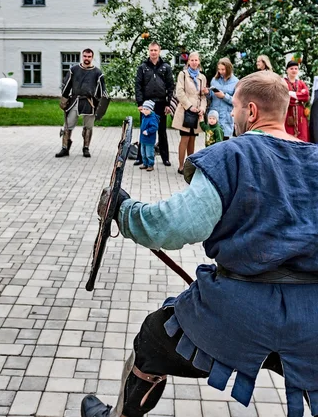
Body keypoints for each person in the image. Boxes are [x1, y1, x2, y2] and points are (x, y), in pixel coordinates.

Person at [80, 70, 318, 417]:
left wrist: (124, 211)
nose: (232, 117)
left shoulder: (232, 155)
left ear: (250, 112)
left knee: (152, 339)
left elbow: (174, 225)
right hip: (312, 318)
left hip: (236, 315)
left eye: (234, 108)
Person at [55, 48, 108, 158]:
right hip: (75, 100)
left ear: (92, 57)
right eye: (85, 56)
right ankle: (65, 148)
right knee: (68, 125)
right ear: (82, 56)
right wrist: (64, 100)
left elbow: (103, 91)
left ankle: (86, 148)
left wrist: (101, 105)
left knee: (88, 127)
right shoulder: (74, 69)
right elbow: (67, 85)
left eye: (89, 57)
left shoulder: (98, 73)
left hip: (90, 102)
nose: (87, 58)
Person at [134, 42, 174, 167]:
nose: (153, 52)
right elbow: (138, 85)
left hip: (161, 103)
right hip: (146, 104)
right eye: (151, 50)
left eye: (155, 50)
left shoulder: (166, 67)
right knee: (144, 129)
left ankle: (165, 158)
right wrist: (140, 103)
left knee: (162, 131)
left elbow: (170, 86)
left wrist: (169, 104)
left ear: (159, 51)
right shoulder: (143, 67)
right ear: (148, 51)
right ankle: (140, 157)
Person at [171, 52, 208, 174]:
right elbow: (179, 92)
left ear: (199, 62)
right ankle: (181, 166)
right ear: (188, 62)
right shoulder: (183, 74)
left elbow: (203, 96)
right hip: (185, 110)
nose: (194, 62)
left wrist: (202, 108)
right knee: (185, 138)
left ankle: (190, 165)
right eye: (192, 60)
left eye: (196, 60)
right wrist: (189, 106)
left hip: (197, 112)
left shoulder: (202, 77)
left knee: (193, 139)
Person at [207, 57, 238, 139]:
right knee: (211, 144)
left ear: (229, 69)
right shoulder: (214, 80)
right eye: (219, 69)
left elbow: (236, 101)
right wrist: (207, 93)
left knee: (225, 144)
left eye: (223, 69)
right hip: (214, 118)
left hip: (226, 119)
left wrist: (224, 96)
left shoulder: (236, 82)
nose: (220, 72)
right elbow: (210, 97)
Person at [283, 60, 310, 142]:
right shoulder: (283, 82)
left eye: (296, 68)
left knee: (303, 134)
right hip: (288, 112)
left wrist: (291, 93)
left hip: (301, 113)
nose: (294, 70)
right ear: (287, 70)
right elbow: (284, 96)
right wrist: (299, 95)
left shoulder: (301, 83)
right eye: (291, 68)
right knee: (288, 135)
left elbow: (306, 96)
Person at [138, 100, 159, 171]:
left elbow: (154, 127)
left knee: (149, 153)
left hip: (149, 139)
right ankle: (145, 163)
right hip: (143, 139)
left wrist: (148, 131)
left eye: (147, 109)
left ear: (151, 110)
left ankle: (150, 164)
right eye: (144, 109)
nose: (145, 111)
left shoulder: (153, 118)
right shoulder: (144, 116)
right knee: (143, 153)